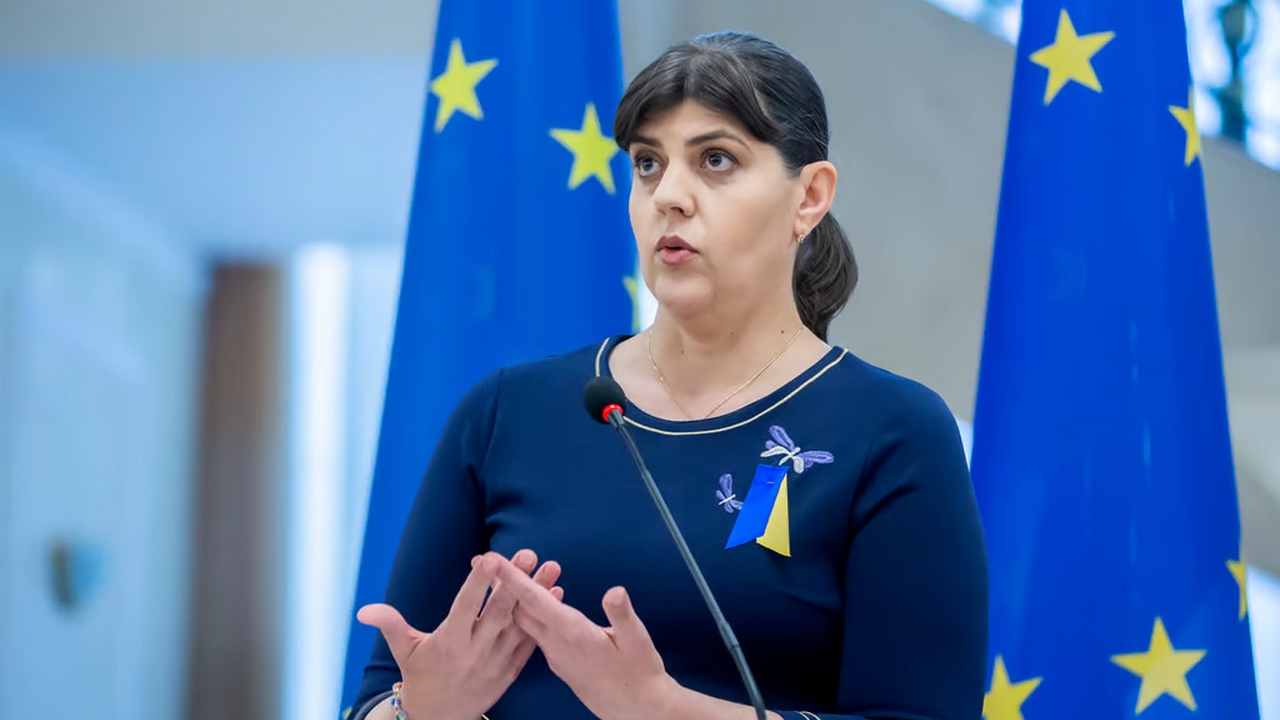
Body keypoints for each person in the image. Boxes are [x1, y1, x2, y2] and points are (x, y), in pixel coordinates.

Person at [350, 31, 988, 720]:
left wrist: (664, 710)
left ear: (809, 197)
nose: (670, 196)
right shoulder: (506, 413)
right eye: (648, 164)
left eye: (716, 160)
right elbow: (378, 696)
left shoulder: (892, 432)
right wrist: (420, 711)